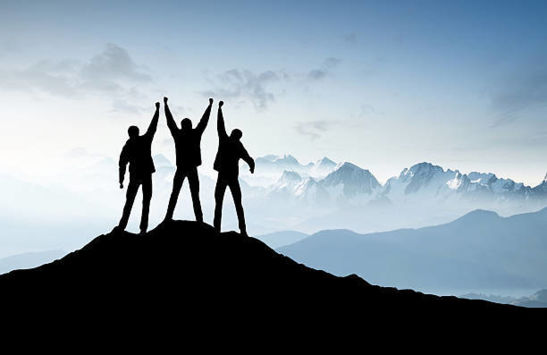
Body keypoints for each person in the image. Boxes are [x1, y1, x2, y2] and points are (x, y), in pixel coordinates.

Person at [163, 97, 212, 222]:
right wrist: (210, 106)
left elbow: (170, 122)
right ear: (190, 125)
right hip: (190, 168)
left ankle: (168, 217)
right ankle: (199, 220)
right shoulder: (195, 134)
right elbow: (203, 122)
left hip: (183, 168)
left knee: (175, 194)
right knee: (194, 195)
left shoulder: (178, 134)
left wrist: (166, 105)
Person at [213, 101, 255, 236]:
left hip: (222, 176)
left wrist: (219, 110)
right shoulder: (238, 145)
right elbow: (249, 159)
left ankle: (216, 229)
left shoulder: (225, 140)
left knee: (218, 203)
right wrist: (251, 167)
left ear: (232, 134)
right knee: (238, 203)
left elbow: (220, 125)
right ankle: (243, 230)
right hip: (232, 177)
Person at [117, 102, 160, 234]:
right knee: (144, 203)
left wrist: (121, 180)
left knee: (131, 202)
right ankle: (142, 229)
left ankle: (123, 226)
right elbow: (153, 127)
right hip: (144, 175)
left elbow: (122, 164)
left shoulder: (128, 146)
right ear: (137, 132)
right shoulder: (144, 141)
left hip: (136, 176)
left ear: (129, 133)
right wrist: (157, 110)